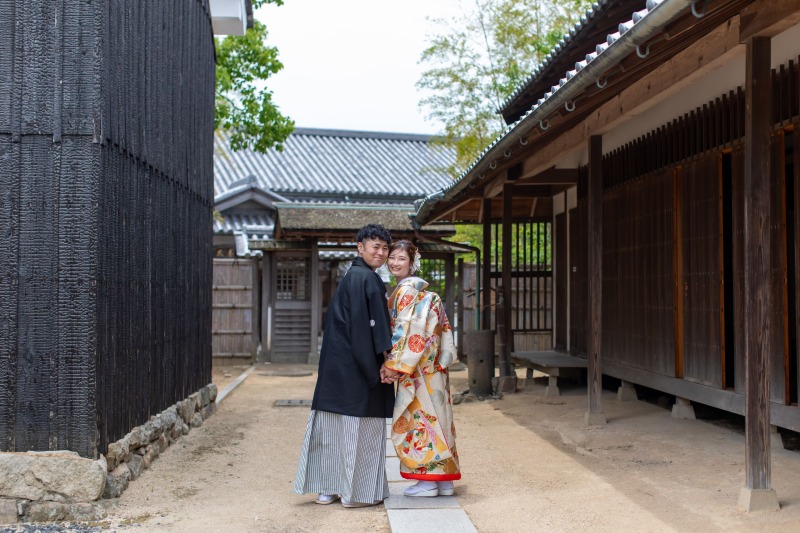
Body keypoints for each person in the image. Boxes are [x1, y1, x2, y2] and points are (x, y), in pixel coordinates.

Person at [293, 224, 396, 508]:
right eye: (375, 246)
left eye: (385, 248)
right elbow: (371, 329)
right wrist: (384, 362)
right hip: (358, 368)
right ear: (360, 247)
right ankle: (355, 494)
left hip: (336, 368)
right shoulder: (367, 279)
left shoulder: (352, 276)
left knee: (331, 431)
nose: (381, 252)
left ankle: (327, 489)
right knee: (359, 430)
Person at [382, 239, 461, 497]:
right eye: (392, 257)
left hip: (416, 369)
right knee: (439, 417)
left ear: (412, 262)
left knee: (421, 420)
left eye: (401, 259)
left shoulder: (406, 292)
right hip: (435, 367)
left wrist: (395, 364)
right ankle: (445, 481)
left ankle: (428, 481)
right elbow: (444, 332)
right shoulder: (429, 295)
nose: (395, 262)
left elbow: (405, 333)